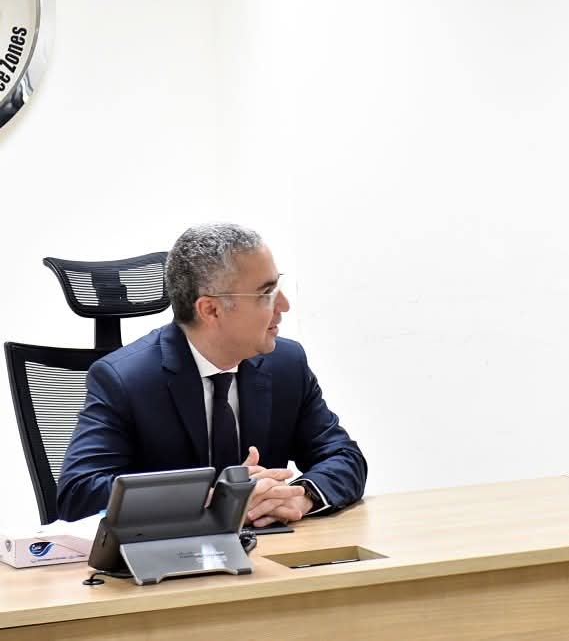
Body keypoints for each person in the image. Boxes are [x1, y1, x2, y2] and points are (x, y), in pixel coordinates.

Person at [57, 223, 368, 523]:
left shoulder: (286, 364)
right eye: (266, 293)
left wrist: (299, 496)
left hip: (270, 549)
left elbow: (344, 457)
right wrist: (212, 497)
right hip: (170, 554)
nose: (284, 306)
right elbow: (79, 493)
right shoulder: (124, 380)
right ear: (210, 309)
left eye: (278, 287)